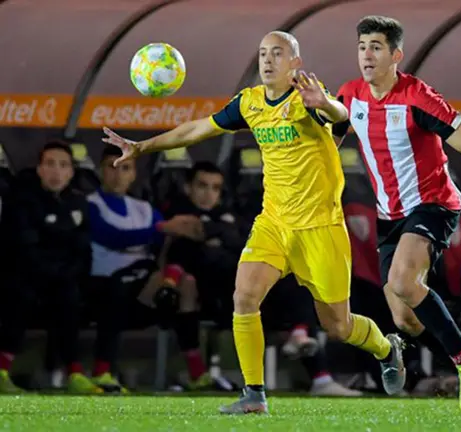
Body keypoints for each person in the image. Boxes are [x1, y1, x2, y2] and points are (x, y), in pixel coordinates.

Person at [101, 31, 399, 415]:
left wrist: (324, 102)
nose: (268, 60)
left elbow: (341, 116)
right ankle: (254, 395)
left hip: (320, 228)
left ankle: (387, 348)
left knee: (338, 327)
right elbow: (197, 129)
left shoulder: (309, 95)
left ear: (295, 62)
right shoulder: (250, 102)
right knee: (244, 296)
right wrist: (143, 146)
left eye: (278, 53)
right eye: (262, 53)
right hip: (273, 222)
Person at [332, 16, 461, 413]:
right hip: (390, 216)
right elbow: (325, 144)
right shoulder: (350, 96)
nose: (366, 55)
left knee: (403, 280)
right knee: (406, 319)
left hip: (434, 204)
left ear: (397, 55)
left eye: (376, 46)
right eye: (362, 46)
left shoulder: (417, 97)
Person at [166, 161, 361, 396]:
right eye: (202, 186)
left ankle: (316, 371)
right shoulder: (175, 219)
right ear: (188, 188)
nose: (209, 194)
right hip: (218, 300)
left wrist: (211, 231)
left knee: (298, 278)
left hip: (256, 295)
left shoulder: (231, 215)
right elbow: (179, 257)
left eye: (215, 188)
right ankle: (302, 345)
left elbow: (244, 240)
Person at [86, 145, 213, 393]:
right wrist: (162, 229)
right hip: (103, 286)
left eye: (125, 168)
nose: (118, 175)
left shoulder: (143, 209)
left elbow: (166, 236)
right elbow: (111, 236)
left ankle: (197, 373)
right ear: (101, 171)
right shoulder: (90, 205)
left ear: (133, 174)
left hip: (142, 291)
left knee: (187, 282)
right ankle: (101, 372)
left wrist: (188, 229)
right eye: (112, 168)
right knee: (122, 291)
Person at [0, 142, 101, 394]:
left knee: (72, 295)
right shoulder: (22, 200)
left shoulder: (79, 203)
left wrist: (68, 272)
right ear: (39, 169)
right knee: (21, 292)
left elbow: (83, 249)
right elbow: (25, 248)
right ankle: (2, 371)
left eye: (63, 165)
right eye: (50, 164)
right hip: (26, 275)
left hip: (62, 279)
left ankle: (75, 373)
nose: (57, 171)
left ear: (71, 172)